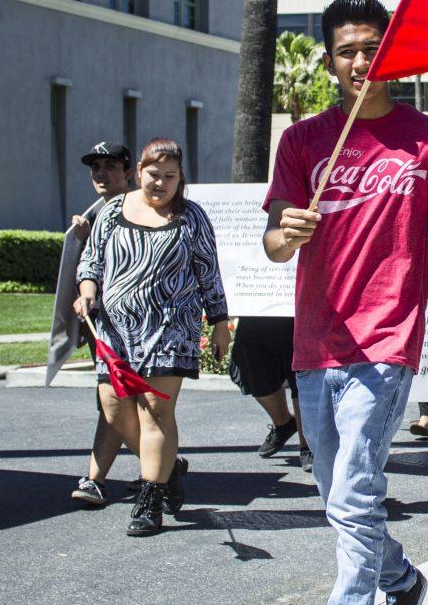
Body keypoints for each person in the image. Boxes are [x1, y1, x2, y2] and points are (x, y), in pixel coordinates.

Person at [262, 0, 428, 605]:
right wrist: (285, 234)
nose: (361, 62)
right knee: (341, 497)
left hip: (388, 343)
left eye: (372, 48)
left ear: (393, 52)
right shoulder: (301, 144)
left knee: (353, 491)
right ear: (330, 60)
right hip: (316, 345)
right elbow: (272, 241)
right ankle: (404, 581)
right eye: (347, 50)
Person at [74, 139, 230, 535]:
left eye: (170, 177)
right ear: (139, 171)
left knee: (155, 411)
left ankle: (150, 499)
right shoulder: (113, 211)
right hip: (115, 329)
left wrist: (219, 322)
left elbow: (208, 271)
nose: (160, 183)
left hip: (171, 329)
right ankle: (167, 463)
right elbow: (91, 259)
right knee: (112, 405)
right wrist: (87, 289)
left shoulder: (191, 217)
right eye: (153, 174)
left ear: (181, 180)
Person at [69, 142, 137, 507]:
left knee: (125, 402)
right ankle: (157, 464)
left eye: (110, 166)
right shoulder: (94, 213)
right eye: (95, 166)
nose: (100, 173)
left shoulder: (140, 208)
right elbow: (89, 272)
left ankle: (161, 464)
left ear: (128, 172)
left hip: (142, 327)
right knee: (111, 400)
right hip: (106, 327)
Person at [228, 316, 312, 472]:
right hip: (256, 312)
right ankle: (284, 424)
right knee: (256, 378)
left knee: (302, 378)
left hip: (298, 313)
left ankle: (308, 447)